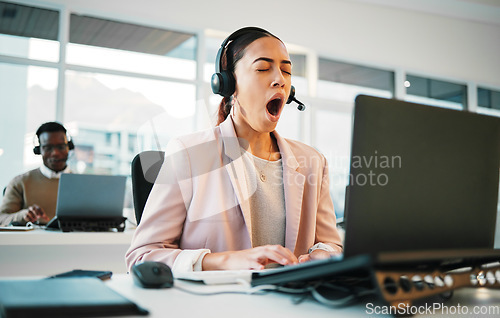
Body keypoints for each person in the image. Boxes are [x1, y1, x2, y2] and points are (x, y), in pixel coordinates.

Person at [126, 27, 343, 272]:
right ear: (229, 83)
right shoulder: (188, 153)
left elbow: (330, 244)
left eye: (286, 71)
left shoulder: (312, 161)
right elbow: (142, 255)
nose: (280, 80)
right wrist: (227, 261)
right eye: (263, 68)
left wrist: (323, 254)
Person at [0, 122, 73, 226]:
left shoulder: (84, 184)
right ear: (39, 150)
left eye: (61, 147)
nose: (55, 153)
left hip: (73, 242)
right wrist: (23, 216)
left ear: (69, 147)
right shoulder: (20, 182)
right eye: (48, 148)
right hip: (32, 242)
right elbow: (1, 218)